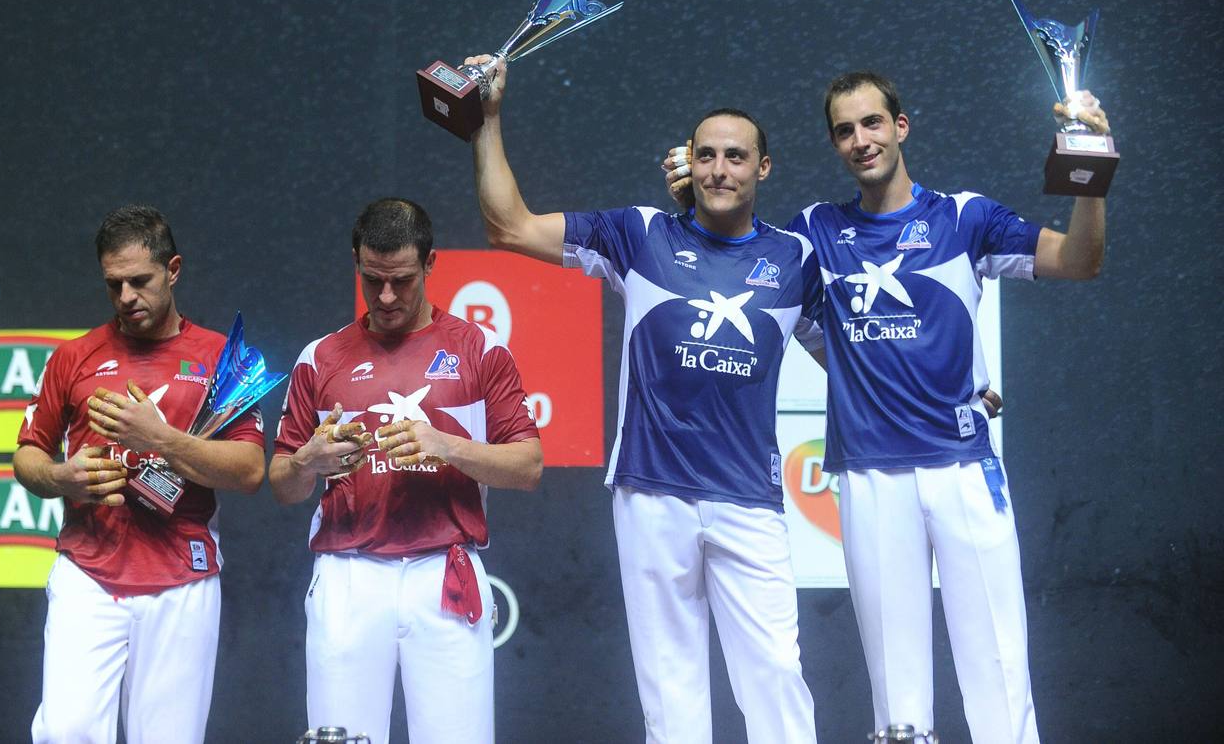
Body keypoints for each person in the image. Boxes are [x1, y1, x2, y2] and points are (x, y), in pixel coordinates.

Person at [667, 71, 1108, 743]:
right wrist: (691, 200)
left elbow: (1079, 260)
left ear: (900, 127)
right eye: (844, 130)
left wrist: (1090, 169)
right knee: (897, 704)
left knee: (999, 678)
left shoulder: (964, 218)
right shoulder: (816, 231)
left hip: (963, 471)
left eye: (872, 123)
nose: (860, 140)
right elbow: (744, 266)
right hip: (870, 479)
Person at [462, 54, 820, 743]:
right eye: (706, 154)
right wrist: (488, 119)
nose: (719, 168)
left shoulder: (795, 259)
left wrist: (955, 390)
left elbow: (858, 358)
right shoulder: (640, 233)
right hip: (653, 494)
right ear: (688, 161)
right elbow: (509, 225)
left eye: (736, 157)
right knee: (671, 692)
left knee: (776, 675)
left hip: (751, 500)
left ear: (763, 169)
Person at [269, 197, 542, 744]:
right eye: (373, 280)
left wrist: (447, 445)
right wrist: (307, 461)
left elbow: (528, 466)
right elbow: (282, 483)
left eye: (402, 280)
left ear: (431, 264)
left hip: (444, 573)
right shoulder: (319, 358)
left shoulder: (479, 350)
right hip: (348, 576)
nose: (387, 296)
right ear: (357, 264)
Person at [13, 204, 266, 744]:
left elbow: (249, 470)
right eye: (113, 285)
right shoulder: (74, 356)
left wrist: (160, 440)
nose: (127, 297)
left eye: (139, 281)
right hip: (89, 572)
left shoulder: (221, 355)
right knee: (66, 731)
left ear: (173, 270)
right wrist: (62, 478)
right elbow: (27, 455)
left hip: (183, 576)